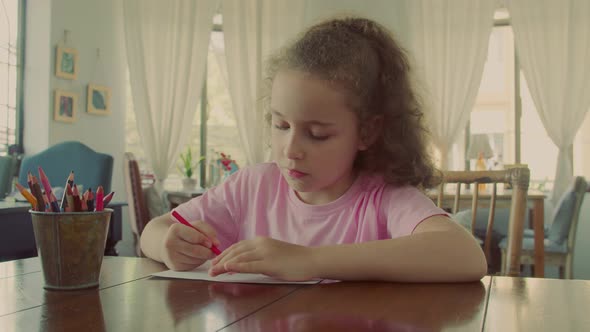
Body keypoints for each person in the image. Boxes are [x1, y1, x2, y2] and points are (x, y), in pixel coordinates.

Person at [140, 17, 487, 282]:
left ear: (367, 131)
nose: (291, 150)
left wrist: (309, 260)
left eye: (317, 134)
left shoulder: (383, 198)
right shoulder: (252, 187)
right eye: (281, 126)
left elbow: (466, 256)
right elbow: (152, 231)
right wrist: (169, 245)